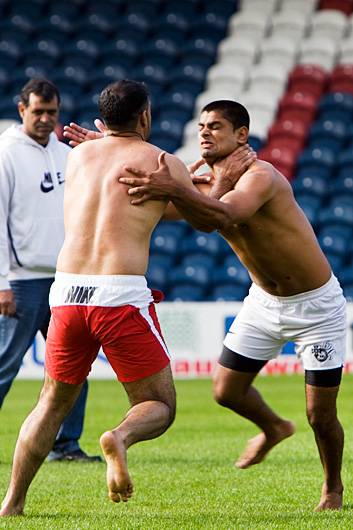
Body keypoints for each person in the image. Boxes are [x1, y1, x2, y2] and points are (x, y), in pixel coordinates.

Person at [0, 80, 255, 517]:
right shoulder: (160, 161)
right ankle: (118, 437)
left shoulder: (77, 156)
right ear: (144, 117)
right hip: (118, 296)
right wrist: (222, 180)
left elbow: (137, 190)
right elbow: (207, 218)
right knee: (158, 405)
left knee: (49, 403)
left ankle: (11, 503)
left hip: (65, 292)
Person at [113, 99, 346, 512]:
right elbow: (162, 207)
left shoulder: (261, 176)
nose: (204, 132)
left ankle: (332, 487)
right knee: (225, 391)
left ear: (242, 135)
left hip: (316, 307)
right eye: (201, 125)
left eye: (216, 126)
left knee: (320, 415)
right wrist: (111, 150)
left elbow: (224, 214)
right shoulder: (203, 186)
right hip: (263, 302)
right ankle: (274, 427)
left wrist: (177, 188)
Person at [0, 78, 101, 463]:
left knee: (74, 365)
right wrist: (1, 283)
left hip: (67, 278)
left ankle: (66, 445)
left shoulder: (68, 154)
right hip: (21, 281)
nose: (45, 119)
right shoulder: (6, 153)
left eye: (52, 112)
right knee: (4, 366)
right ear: (22, 109)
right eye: (38, 111)